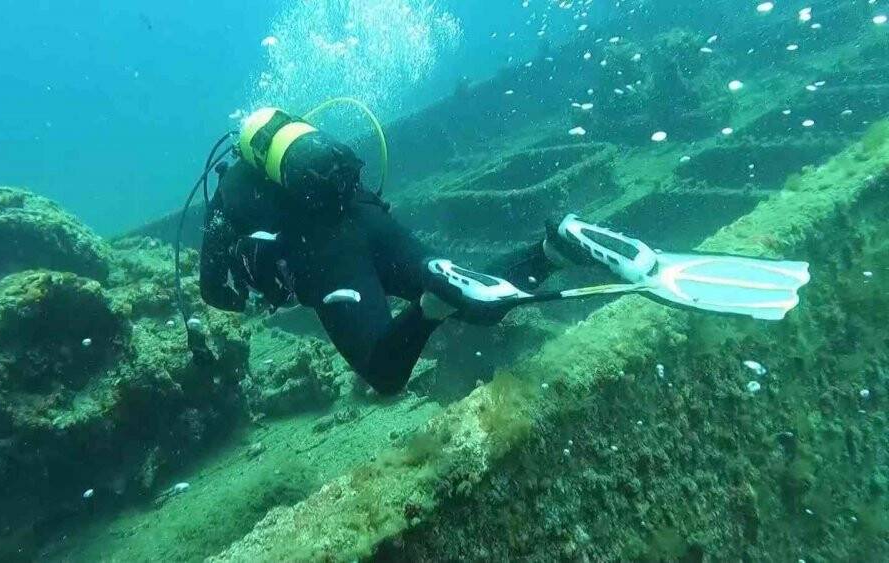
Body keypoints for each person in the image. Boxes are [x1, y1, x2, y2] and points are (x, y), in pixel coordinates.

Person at [198, 107, 810, 395]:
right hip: (367, 219)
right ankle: (554, 246)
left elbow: (218, 293)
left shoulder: (229, 201)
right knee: (453, 284)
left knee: (384, 370)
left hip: (326, 257)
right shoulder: (305, 166)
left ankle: (434, 301)